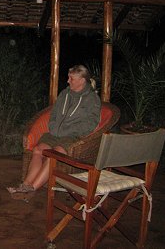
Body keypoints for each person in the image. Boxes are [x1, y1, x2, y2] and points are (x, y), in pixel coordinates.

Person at [9, 65, 101, 194]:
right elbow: (53, 113)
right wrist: (53, 126)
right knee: (38, 150)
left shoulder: (92, 99)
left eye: (71, 79)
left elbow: (92, 123)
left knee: (54, 154)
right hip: (54, 133)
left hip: (72, 137)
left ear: (82, 80)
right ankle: (25, 184)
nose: (68, 81)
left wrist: (69, 130)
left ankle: (32, 188)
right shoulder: (65, 94)